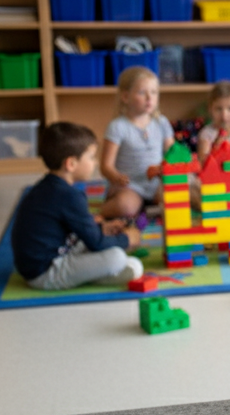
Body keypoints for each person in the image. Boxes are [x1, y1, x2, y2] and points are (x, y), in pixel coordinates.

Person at [13, 122, 143, 290]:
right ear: (71, 164)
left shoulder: (49, 187)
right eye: (90, 157)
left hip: (49, 256)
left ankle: (90, 271)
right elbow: (96, 243)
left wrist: (102, 227)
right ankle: (91, 275)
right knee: (117, 256)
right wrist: (127, 239)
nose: (95, 162)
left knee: (110, 248)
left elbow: (74, 227)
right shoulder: (69, 196)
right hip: (46, 272)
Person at [100, 66, 174, 220]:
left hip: (156, 183)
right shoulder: (118, 126)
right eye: (142, 93)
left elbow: (171, 154)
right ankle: (103, 210)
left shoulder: (161, 122)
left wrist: (170, 168)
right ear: (126, 97)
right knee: (126, 207)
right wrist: (116, 177)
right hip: (130, 186)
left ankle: (147, 209)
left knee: (175, 199)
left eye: (154, 92)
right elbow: (105, 166)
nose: (150, 98)